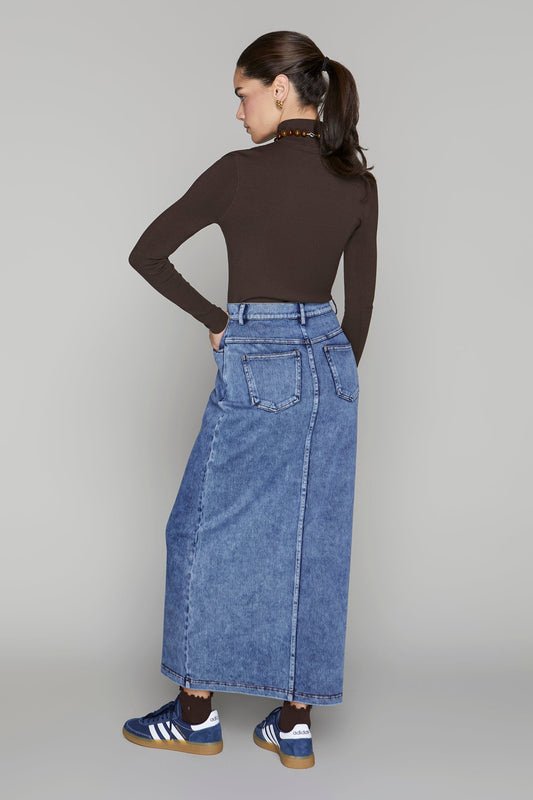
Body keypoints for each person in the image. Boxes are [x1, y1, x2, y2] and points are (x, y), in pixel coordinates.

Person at [122, 30, 378, 770]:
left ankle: (196, 714)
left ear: (278, 88)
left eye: (241, 94)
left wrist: (218, 323)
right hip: (332, 362)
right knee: (312, 538)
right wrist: (325, 380)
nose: (238, 112)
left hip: (259, 350)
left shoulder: (238, 172)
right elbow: (357, 308)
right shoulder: (356, 184)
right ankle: (293, 724)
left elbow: (147, 252)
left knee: (202, 530)